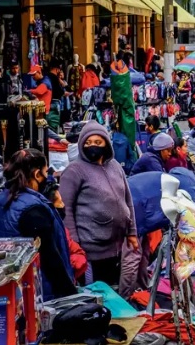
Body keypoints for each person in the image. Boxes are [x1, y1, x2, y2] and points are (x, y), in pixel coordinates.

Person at [0, 149, 78, 300]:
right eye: (45, 172)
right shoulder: (32, 208)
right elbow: (51, 259)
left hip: (7, 289)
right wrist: (70, 296)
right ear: (37, 175)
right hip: (37, 294)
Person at [59, 121, 138, 285]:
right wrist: (75, 244)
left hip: (117, 248)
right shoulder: (74, 170)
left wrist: (132, 233)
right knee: (96, 294)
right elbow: (66, 210)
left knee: (114, 292)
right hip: (91, 252)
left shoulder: (115, 166)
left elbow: (128, 200)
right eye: (87, 143)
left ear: (106, 144)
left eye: (97, 142)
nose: (92, 146)